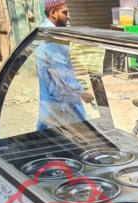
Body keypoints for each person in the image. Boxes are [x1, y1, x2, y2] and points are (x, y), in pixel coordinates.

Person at [35, 0, 94, 130]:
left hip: (55, 98)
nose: (68, 16)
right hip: (61, 99)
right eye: (65, 12)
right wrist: (81, 92)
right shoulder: (51, 37)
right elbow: (61, 73)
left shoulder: (45, 30)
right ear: (53, 13)